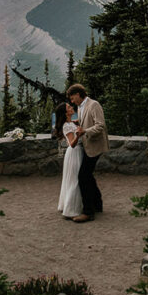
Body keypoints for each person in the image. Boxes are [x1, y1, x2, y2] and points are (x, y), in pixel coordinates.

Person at [66, 83, 107, 223]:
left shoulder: (94, 104)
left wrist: (85, 131)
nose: (72, 102)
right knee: (87, 175)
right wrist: (79, 123)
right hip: (88, 146)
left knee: (83, 177)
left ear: (78, 94)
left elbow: (100, 126)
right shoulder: (80, 106)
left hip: (95, 147)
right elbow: (87, 122)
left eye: (72, 98)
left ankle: (88, 212)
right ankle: (97, 204)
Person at [54, 102, 83, 219]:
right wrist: (79, 135)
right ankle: (71, 209)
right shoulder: (66, 126)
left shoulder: (71, 123)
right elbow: (71, 144)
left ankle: (73, 205)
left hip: (78, 152)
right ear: (65, 113)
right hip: (74, 153)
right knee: (75, 180)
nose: (72, 107)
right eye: (69, 107)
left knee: (74, 179)